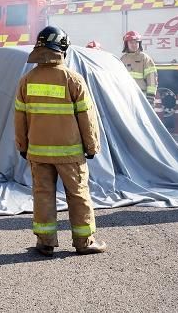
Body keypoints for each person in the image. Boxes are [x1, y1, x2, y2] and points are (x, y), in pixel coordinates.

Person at [14, 26, 107, 257]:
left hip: (38, 153)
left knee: (42, 195)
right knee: (78, 195)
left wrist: (22, 146)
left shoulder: (26, 81)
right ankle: (84, 241)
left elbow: (19, 118)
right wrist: (92, 146)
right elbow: (87, 118)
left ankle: (45, 242)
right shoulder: (73, 80)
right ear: (62, 48)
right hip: (70, 154)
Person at [120, 31, 158, 106]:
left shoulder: (145, 58)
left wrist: (150, 97)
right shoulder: (123, 59)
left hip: (141, 95)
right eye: (131, 42)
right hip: (126, 96)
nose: (134, 45)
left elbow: (152, 78)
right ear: (126, 44)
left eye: (136, 42)